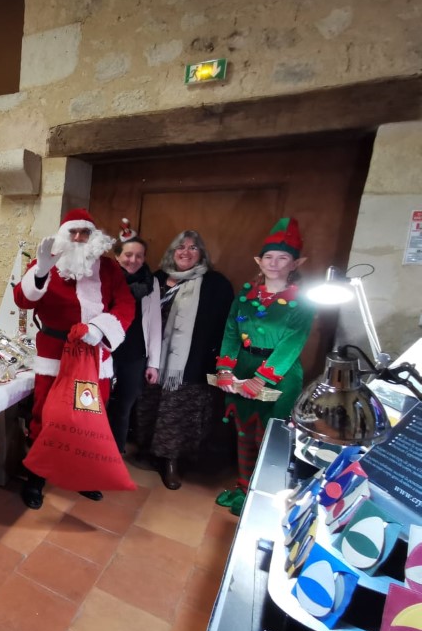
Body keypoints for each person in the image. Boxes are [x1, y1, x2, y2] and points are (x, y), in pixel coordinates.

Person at [13, 209, 135, 508]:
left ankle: (82, 475)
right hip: (54, 356)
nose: (79, 238)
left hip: (94, 358)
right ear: (63, 234)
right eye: (73, 232)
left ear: (94, 237)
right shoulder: (45, 262)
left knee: (88, 418)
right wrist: (40, 272)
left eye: (85, 232)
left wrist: (99, 328)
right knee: (45, 415)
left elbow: (126, 305)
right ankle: (35, 478)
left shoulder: (108, 268)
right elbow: (22, 299)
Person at [215, 219, 314, 515]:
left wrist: (260, 380)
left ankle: (263, 494)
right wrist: (225, 370)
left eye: (282, 258)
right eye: (269, 257)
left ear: (295, 263)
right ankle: (244, 488)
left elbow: (292, 344)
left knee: (269, 438)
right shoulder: (245, 297)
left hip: (279, 377)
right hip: (241, 369)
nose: (274, 263)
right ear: (260, 261)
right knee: (243, 434)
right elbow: (231, 333)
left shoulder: (303, 302)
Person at [133, 230, 234, 490]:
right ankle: (149, 452)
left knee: (176, 415)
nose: (185, 252)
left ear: (201, 254)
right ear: (171, 251)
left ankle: (171, 463)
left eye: (193, 248)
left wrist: (216, 361)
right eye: (180, 247)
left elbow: (224, 327)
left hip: (189, 364)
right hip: (153, 359)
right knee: (149, 408)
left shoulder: (215, 284)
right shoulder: (155, 279)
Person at [106, 235, 161, 454]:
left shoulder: (151, 282)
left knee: (124, 405)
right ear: (117, 256)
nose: (133, 260)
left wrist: (153, 363)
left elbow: (155, 322)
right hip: (107, 351)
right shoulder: (106, 279)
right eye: (128, 254)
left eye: (139, 255)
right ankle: (95, 449)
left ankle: (115, 452)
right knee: (99, 402)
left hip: (135, 352)